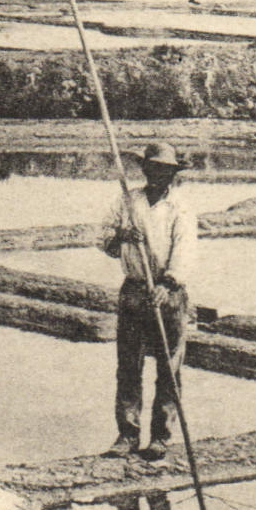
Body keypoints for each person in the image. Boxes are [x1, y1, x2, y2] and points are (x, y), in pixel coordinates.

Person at [100, 143, 197, 461]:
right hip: (134, 291)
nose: (157, 174)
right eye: (152, 168)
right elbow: (104, 241)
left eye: (164, 170)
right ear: (144, 169)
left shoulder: (180, 208)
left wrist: (168, 285)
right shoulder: (128, 201)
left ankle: (160, 437)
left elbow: (185, 252)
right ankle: (128, 435)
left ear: (173, 174)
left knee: (169, 369)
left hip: (169, 294)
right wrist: (122, 237)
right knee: (129, 367)